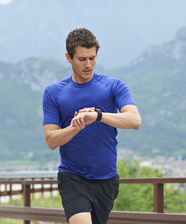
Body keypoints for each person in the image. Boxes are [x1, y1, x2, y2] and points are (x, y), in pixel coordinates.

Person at [42, 28, 141, 224]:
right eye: (82, 59)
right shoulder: (54, 92)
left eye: (92, 58)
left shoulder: (114, 86)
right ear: (68, 58)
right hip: (73, 177)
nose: (88, 64)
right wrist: (75, 127)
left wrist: (98, 116)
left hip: (107, 179)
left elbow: (135, 120)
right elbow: (51, 140)